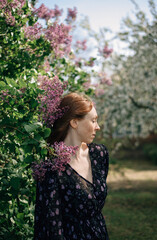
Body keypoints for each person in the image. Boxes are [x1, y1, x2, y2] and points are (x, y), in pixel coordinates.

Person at [34, 92, 110, 240]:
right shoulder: (52, 169)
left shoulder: (99, 155)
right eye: (93, 121)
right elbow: (51, 226)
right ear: (74, 122)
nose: (98, 127)